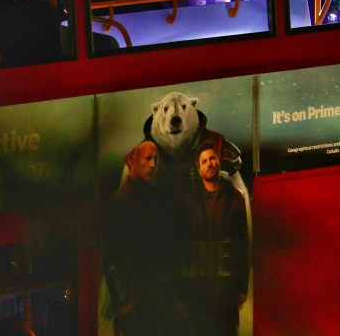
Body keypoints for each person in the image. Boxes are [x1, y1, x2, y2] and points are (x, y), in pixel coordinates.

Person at [103, 141, 188, 336]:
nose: (152, 165)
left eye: (155, 159)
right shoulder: (122, 203)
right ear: (133, 161)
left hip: (153, 300)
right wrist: (123, 300)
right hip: (138, 302)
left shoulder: (149, 198)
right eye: (148, 158)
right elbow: (110, 254)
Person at [182, 141, 250, 336]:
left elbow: (242, 243)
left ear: (219, 161)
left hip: (226, 289)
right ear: (199, 168)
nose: (209, 163)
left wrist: (242, 286)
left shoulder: (235, 197)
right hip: (199, 289)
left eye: (212, 158)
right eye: (204, 161)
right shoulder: (190, 201)